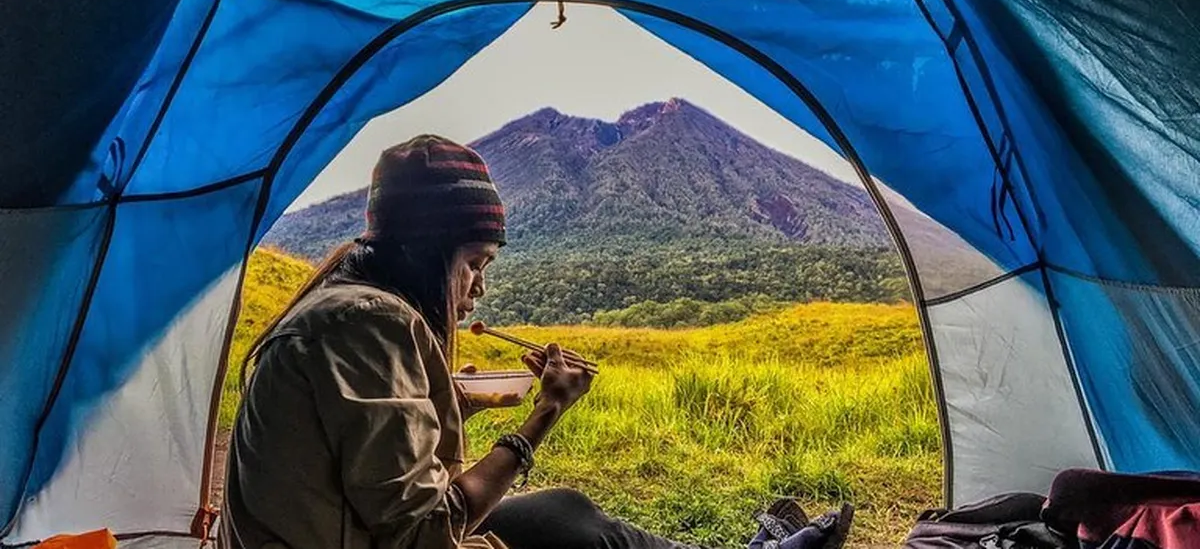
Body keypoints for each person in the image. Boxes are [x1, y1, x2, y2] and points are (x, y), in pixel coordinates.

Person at [220, 135, 852, 549]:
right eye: (474, 263)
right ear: (424, 249)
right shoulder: (364, 325)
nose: (477, 291)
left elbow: (358, 463)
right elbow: (426, 532)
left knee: (562, 513)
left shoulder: (344, 306)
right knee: (566, 529)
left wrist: (446, 408)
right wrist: (542, 417)